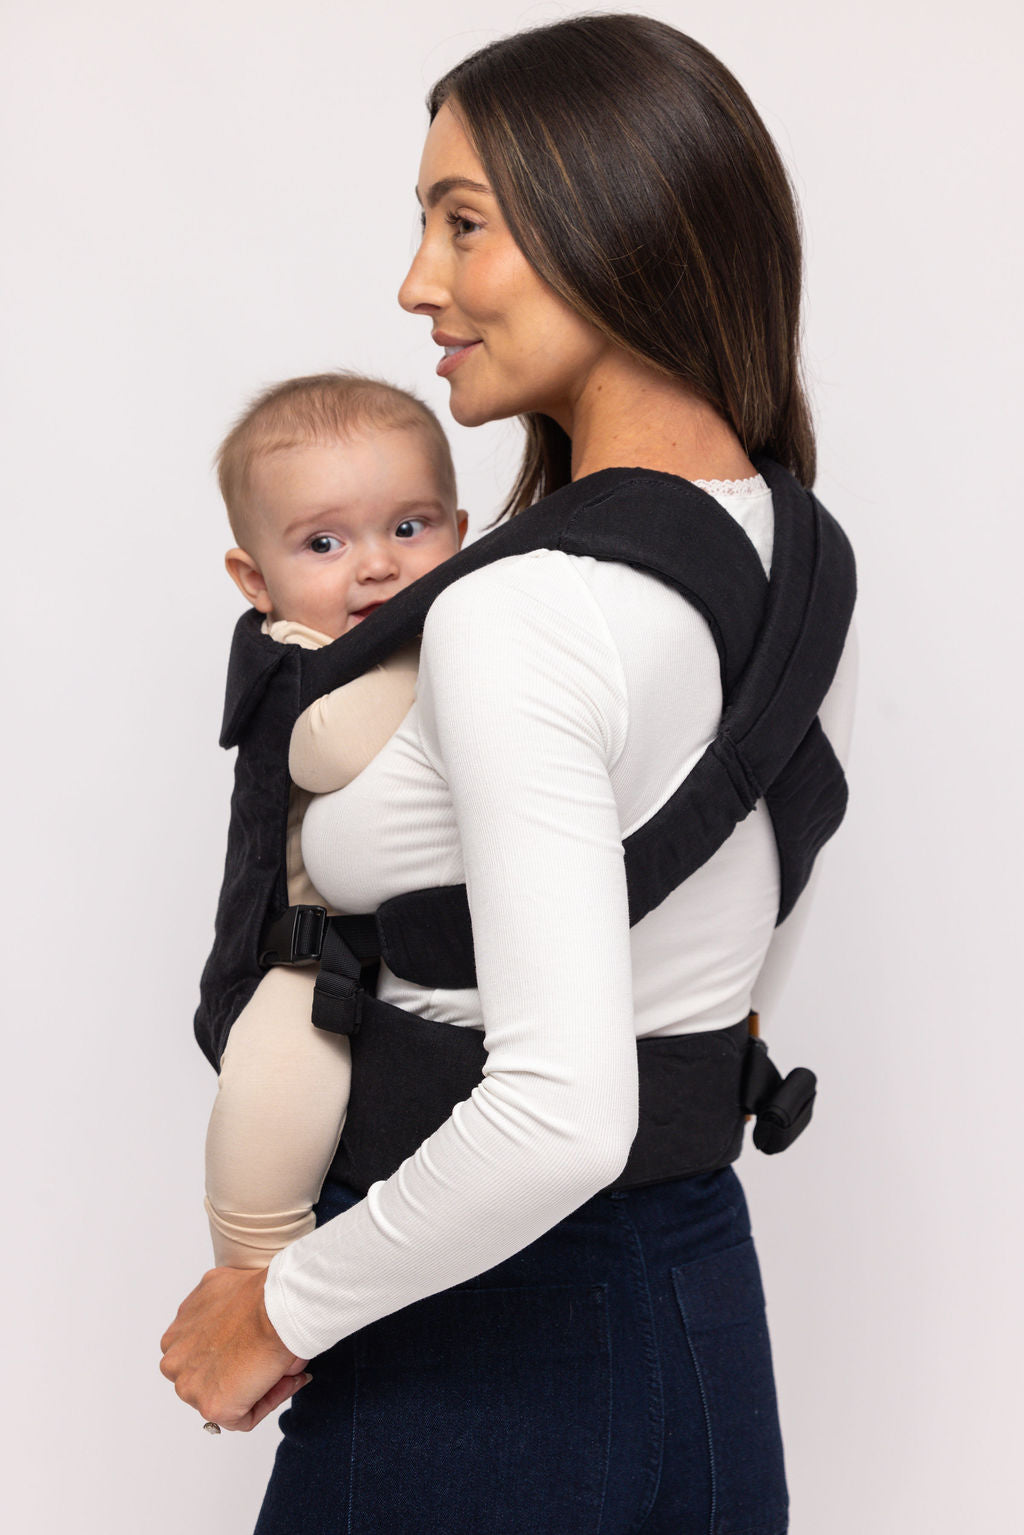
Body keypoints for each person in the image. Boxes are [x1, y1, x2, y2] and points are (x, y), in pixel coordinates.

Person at [161, 16, 857, 1533]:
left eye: (461, 221)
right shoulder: (795, 549)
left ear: (614, 220)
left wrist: (277, 1306)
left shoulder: (519, 607)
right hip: (696, 1295)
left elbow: (556, 1114)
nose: (418, 281)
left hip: (484, 1325)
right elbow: (746, 944)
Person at [204, 372, 467, 1269]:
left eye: (410, 525)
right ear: (257, 579)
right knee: (280, 1083)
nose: (377, 564)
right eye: (323, 541)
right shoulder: (295, 655)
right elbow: (327, 748)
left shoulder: (445, 626)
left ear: (461, 534)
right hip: (299, 949)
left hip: (409, 948)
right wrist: (429, 668)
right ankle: (250, 1269)